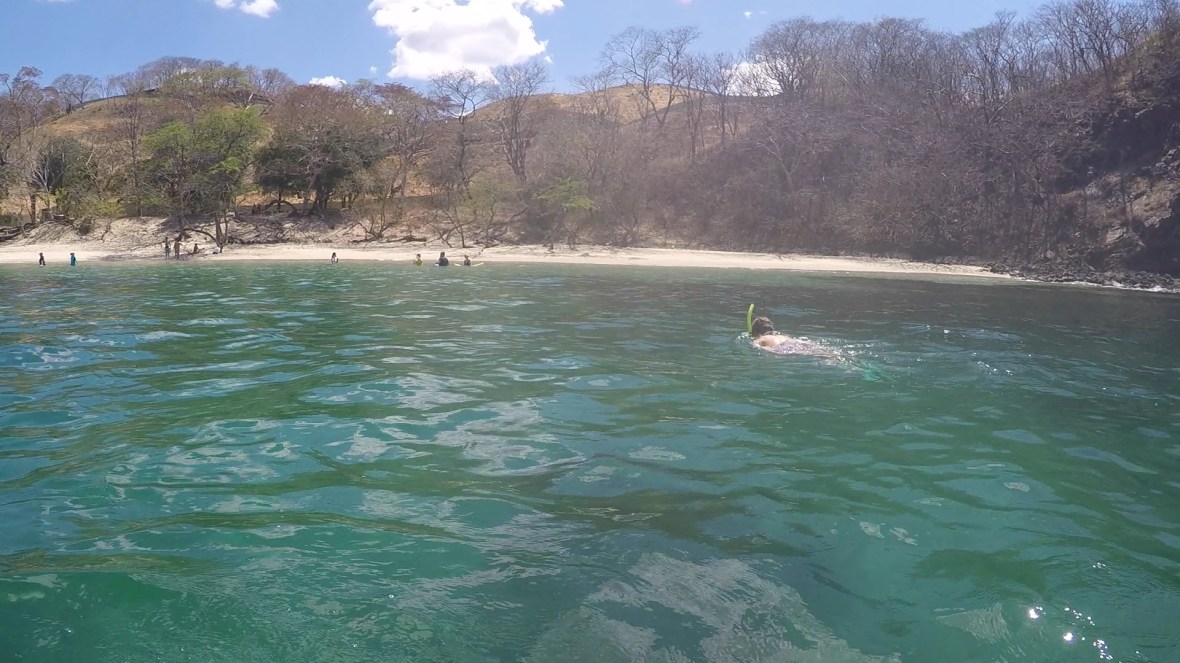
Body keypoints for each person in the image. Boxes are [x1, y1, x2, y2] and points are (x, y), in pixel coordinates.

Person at [750, 315, 834, 357]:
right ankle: (830, 354)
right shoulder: (782, 336)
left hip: (781, 349)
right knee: (817, 351)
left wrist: (772, 352)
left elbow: (760, 347)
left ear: (756, 333)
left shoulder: (760, 338)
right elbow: (799, 342)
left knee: (805, 353)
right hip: (794, 343)